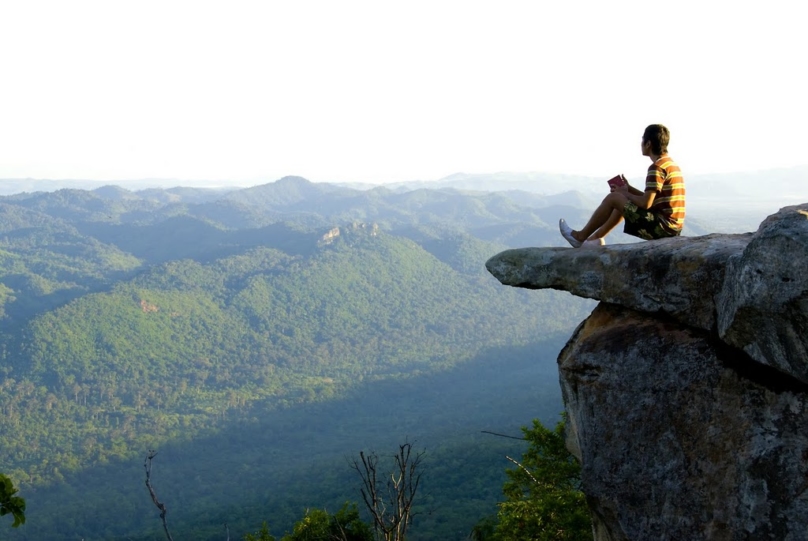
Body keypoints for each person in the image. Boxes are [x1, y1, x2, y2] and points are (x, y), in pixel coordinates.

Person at [559, 124, 685, 247]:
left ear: (648, 144)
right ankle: (594, 239)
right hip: (672, 228)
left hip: (663, 228)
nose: (641, 144)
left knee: (614, 198)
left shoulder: (656, 167)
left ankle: (580, 237)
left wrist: (624, 193)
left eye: (642, 140)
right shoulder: (671, 165)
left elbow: (646, 204)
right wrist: (628, 189)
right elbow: (653, 200)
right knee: (620, 201)